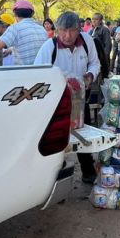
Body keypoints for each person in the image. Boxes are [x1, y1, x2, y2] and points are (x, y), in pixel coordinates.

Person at [34, 11, 100, 184]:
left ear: (79, 30)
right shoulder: (50, 46)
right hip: (56, 104)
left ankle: (87, 171)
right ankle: (55, 179)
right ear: (57, 30)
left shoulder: (87, 41)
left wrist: (90, 76)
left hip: (80, 100)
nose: (67, 35)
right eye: (63, 31)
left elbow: (95, 63)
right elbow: (38, 73)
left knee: (82, 135)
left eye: (71, 31)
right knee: (56, 138)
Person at [0, 0, 47, 65]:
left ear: (15, 14)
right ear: (32, 13)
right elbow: (29, 46)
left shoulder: (15, 28)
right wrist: (11, 50)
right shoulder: (42, 29)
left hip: (24, 72)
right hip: (42, 71)